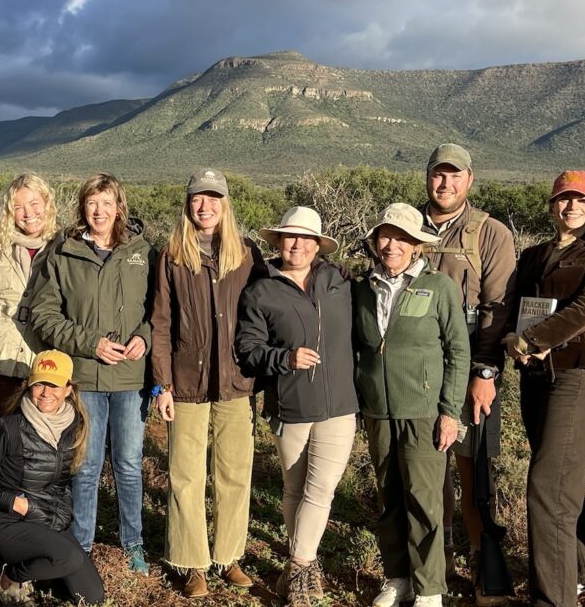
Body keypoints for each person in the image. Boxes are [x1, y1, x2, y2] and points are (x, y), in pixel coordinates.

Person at [499, 171, 585, 606]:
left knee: (546, 489)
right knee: (562, 480)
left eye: (581, 201)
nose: (572, 207)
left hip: (574, 374)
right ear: (551, 206)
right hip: (533, 377)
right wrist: (513, 342)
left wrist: (534, 339)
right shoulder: (532, 255)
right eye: (564, 200)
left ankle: (553, 598)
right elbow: (513, 310)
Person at [29, 172, 155, 572]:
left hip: (131, 378)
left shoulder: (142, 252)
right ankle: (80, 545)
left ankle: (132, 542)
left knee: (130, 464)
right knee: (85, 465)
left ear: (120, 206)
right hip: (84, 376)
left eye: (107, 203)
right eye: (91, 203)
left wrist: (145, 338)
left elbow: (159, 311)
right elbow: (44, 315)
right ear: (82, 207)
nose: (99, 212)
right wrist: (90, 343)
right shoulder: (63, 253)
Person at [149, 168, 265, 597]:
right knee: (185, 475)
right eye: (198, 198)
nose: (205, 205)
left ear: (225, 204)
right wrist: (162, 384)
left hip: (236, 381)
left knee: (235, 473)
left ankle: (229, 555)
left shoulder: (247, 255)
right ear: (188, 204)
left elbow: (268, 312)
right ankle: (192, 561)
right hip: (186, 382)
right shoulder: (172, 256)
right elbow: (161, 323)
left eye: (214, 198)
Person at [236, 206, 359, 607]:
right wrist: (285, 359)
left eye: (307, 239)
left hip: (339, 405)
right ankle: (302, 570)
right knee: (294, 489)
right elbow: (249, 349)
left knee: (320, 489)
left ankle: (301, 565)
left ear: (319, 245)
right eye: (291, 237)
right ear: (279, 242)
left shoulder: (338, 281)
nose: (298, 245)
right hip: (289, 405)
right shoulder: (261, 290)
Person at [353, 203, 469, 607]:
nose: (392, 245)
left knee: (424, 499)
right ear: (375, 240)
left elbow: (458, 350)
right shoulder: (363, 287)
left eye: (402, 238)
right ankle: (397, 577)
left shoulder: (438, 287)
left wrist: (450, 412)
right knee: (388, 498)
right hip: (378, 410)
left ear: (417, 245)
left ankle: (430, 588)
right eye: (386, 235)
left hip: (423, 412)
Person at [416, 143, 516, 606]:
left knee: (472, 466)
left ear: (469, 180)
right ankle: (439, 553)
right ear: (428, 177)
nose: (446, 184)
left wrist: (486, 371)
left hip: (470, 362)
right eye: (439, 174)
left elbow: (498, 309)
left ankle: (481, 558)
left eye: (455, 176)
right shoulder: (407, 225)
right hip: (417, 366)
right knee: (427, 463)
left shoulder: (490, 233)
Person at [0, 350, 106, 606]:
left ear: (68, 389)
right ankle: (8, 578)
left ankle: (40, 570)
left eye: (54, 385)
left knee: (93, 597)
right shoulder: (10, 428)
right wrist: (13, 502)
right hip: (10, 523)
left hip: (49, 520)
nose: (45, 392)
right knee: (69, 558)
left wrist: (60, 515)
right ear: (28, 385)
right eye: (39, 383)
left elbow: (62, 485)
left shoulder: (75, 425)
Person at [0, 173, 59, 416]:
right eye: (18, 207)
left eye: (33, 204)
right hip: (0, 361)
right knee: (5, 437)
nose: (28, 213)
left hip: (46, 362)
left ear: (46, 204)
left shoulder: (63, 249)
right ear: (9, 211)